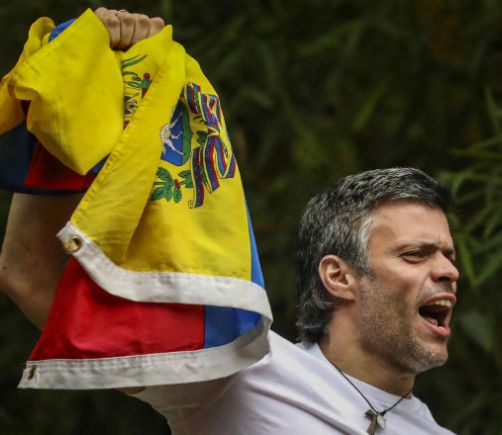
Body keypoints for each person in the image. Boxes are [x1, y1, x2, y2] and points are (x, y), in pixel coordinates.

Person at [0, 9, 457, 435]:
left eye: (449, 256)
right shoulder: (237, 369)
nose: (449, 272)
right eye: (415, 255)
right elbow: (30, 272)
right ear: (339, 276)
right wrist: (75, 90)